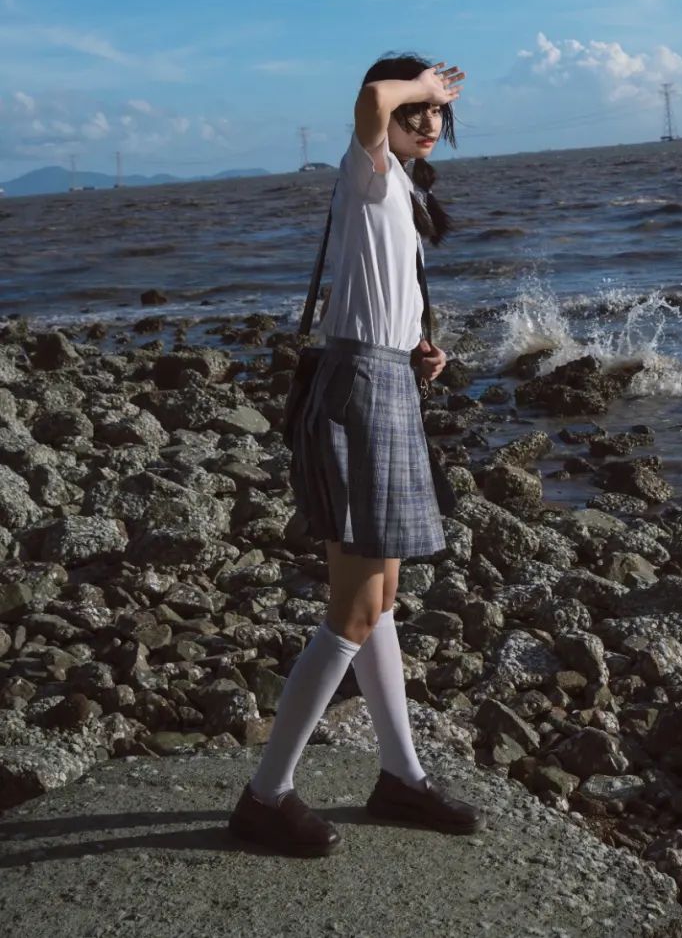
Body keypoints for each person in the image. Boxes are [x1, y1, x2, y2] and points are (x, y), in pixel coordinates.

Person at [229, 55, 479, 856]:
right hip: (357, 393)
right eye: (419, 111)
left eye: (437, 111)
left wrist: (417, 349)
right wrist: (419, 87)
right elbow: (373, 96)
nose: (428, 121)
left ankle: (400, 775)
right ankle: (266, 794)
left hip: (386, 382)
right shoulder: (366, 168)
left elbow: (377, 296)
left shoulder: (401, 187)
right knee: (353, 604)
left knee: (382, 594)